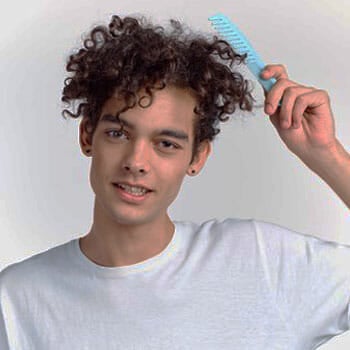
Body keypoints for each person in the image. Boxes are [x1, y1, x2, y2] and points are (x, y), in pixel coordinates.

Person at [1, 14, 350, 350]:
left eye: (166, 144)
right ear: (87, 136)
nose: (136, 162)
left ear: (197, 158)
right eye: (118, 133)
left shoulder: (262, 262)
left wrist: (328, 154)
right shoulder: (16, 301)